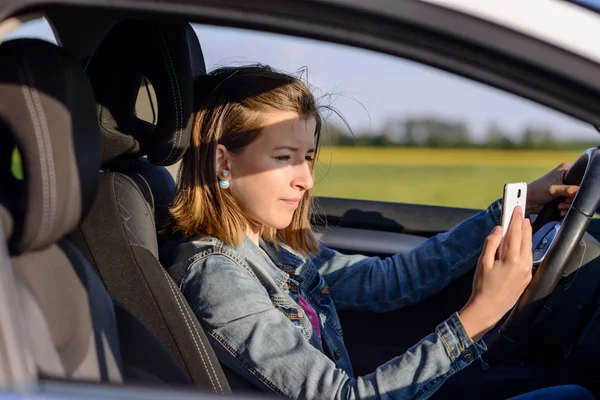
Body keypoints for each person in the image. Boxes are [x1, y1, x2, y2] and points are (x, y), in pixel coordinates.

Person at [166, 65, 592, 399]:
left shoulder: (275, 249)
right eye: (284, 157)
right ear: (224, 163)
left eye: (308, 157)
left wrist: (512, 209)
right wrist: (481, 313)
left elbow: (387, 282)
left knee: (570, 391)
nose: (306, 180)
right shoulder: (219, 278)